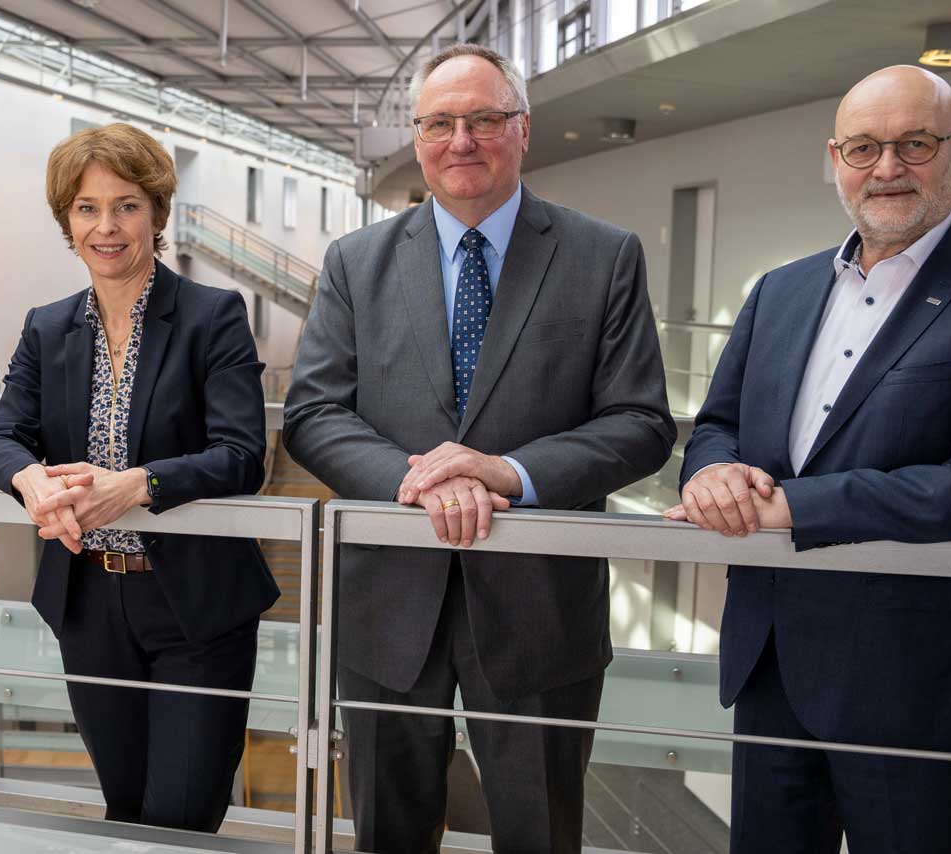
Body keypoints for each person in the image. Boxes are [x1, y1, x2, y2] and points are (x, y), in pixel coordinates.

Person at [668, 66, 951, 854]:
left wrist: (799, 506)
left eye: (913, 144)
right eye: (863, 148)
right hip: (771, 664)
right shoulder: (778, 292)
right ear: (835, 158)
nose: (886, 168)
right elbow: (717, 425)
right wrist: (711, 472)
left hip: (913, 679)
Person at [281, 44, 673, 852]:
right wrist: (421, 481)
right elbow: (315, 412)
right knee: (388, 834)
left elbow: (640, 422)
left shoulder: (603, 256)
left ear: (523, 130)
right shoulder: (357, 262)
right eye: (440, 123)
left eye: (485, 119)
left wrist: (506, 473)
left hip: (539, 611)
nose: (462, 140)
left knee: (540, 836)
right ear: (418, 139)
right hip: (388, 605)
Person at [0, 123, 278, 832]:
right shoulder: (47, 328)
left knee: (181, 817)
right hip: (88, 604)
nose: (106, 227)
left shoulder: (212, 316)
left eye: (126, 206)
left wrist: (136, 484)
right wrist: (30, 481)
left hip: (194, 607)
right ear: (67, 221)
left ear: (158, 213)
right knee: (123, 808)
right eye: (87, 208)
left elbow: (242, 454)